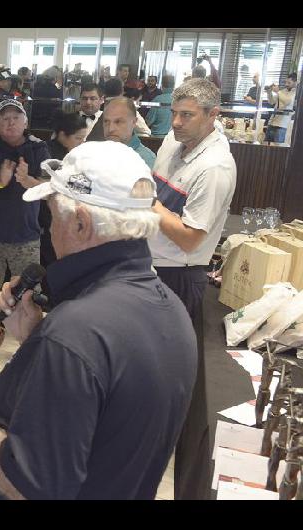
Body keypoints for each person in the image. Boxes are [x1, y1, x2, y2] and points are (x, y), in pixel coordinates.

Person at [0, 140, 197, 500]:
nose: (49, 230)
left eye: (53, 217)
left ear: (80, 223)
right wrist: (36, 335)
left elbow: (27, 483)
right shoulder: (172, 310)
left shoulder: (75, 332)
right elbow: (105, 408)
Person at [148, 78, 236, 500]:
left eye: (188, 116)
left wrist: (152, 206)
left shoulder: (215, 167)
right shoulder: (173, 139)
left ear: (213, 115)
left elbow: (189, 239)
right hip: (149, 263)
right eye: (176, 112)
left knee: (167, 371)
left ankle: (156, 446)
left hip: (179, 275)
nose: (176, 122)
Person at [0, 99, 50, 355]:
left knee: (28, 293)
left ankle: (30, 342)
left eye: (16, 117)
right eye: (4, 118)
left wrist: (26, 180)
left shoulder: (39, 149)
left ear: (25, 122)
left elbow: (50, 191)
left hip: (25, 236)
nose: (10, 122)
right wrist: (0, 183)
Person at [40, 111, 89, 271]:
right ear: (62, 135)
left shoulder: (77, 155)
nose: (82, 143)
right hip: (48, 219)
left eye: (84, 138)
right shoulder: (47, 153)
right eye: (78, 138)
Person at [102, 97, 156, 168]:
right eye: (106, 121)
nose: (110, 129)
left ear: (134, 122)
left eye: (118, 122)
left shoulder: (146, 160)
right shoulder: (95, 154)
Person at [265, 73, 297, 144]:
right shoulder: (283, 91)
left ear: (295, 82)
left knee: (278, 149)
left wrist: (277, 92)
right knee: (266, 147)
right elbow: (271, 102)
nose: (286, 84)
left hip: (282, 125)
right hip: (272, 121)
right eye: (286, 82)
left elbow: (288, 101)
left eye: (289, 82)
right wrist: (269, 92)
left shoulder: (296, 93)